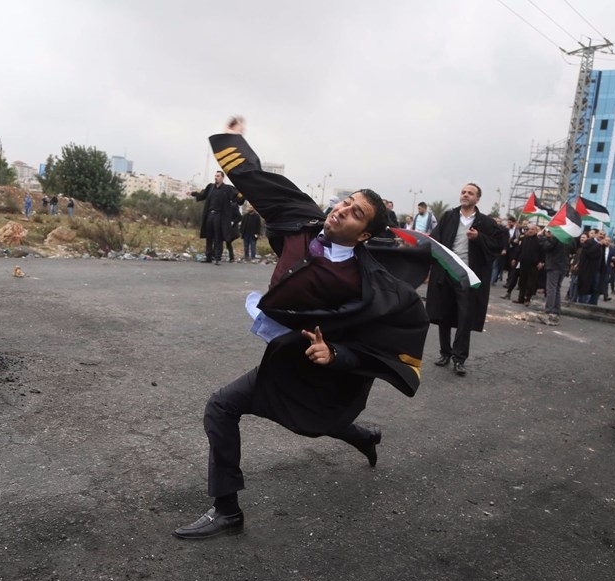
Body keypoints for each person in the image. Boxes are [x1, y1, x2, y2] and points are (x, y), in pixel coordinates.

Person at [173, 117, 428, 540]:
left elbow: (382, 341)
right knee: (225, 408)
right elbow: (258, 181)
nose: (342, 211)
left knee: (310, 418)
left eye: (355, 214)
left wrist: (336, 356)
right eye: (345, 203)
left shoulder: (365, 285)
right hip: (288, 357)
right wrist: (234, 140)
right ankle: (228, 507)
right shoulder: (301, 220)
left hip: (325, 374)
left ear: (364, 235)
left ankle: (229, 513)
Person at [424, 183, 506, 376]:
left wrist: (478, 238)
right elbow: (435, 242)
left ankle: (459, 358)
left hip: (468, 276)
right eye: (463, 192)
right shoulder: (449, 217)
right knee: (443, 314)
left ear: (477, 199)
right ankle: (445, 353)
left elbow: (498, 245)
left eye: (470, 193)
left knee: (465, 317)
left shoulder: (485, 223)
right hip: (446, 272)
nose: (465, 195)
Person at [190, 170, 245, 265]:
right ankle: (208, 257)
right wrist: (193, 193)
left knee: (218, 237)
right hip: (210, 215)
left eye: (218, 176)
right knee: (209, 236)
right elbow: (203, 194)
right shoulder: (211, 187)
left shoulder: (227, 189)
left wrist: (244, 193)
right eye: (215, 176)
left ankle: (217, 257)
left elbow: (237, 196)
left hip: (220, 216)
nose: (216, 177)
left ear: (222, 178)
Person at [541, 227, 570, 325]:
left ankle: (548, 310)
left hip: (554, 265)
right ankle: (556, 310)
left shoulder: (555, 238)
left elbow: (546, 247)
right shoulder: (565, 238)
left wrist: (543, 238)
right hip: (563, 266)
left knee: (551, 289)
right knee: (557, 288)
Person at [512, 223, 545, 306]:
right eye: (529, 229)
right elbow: (519, 249)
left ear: (536, 230)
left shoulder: (539, 241)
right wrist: (515, 258)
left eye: (532, 229)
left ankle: (528, 298)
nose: (530, 231)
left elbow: (543, 253)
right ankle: (521, 298)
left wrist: (541, 262)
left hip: (533, 265)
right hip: (523, 263)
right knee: (522, 281)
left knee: (531, 282)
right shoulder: (524, 239)